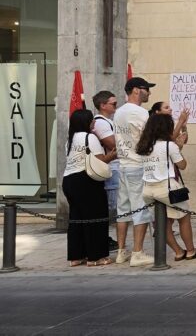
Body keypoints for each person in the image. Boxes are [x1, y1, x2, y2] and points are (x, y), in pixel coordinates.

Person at [136, 113, 196, 261]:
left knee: (162, 223)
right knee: (184, 217)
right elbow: (183, 165)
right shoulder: (169, 145)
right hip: (166, 188)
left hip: (148, 189)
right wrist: (179, 147)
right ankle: (190, 250)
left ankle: (177, 251)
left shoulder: (144, 146)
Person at [63, 109, 117, 267]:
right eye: (92, 120)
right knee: (96, 217)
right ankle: (96, 257)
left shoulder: (71, 139)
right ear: (86, 122)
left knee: (76, 218)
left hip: (69, 180)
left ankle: (76, 256)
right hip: (86, 181)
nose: (94, 122)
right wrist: (113, 155)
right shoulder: (90, 137)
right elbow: (100, 161)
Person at [113, 77, 155, 267]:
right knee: (141, 210)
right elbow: (149, 138)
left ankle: (122, 251)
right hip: (138, 164)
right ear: (136, 90)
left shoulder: (119, 112)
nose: (149, 93)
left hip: (123, 164)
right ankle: (137, 252)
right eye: (146, 89)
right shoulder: (140, 112)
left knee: (123, 210)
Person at [91, 90, 120, 251]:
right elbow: (113, 145)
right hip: (110, 168)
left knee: (115, 207)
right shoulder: (101, 123)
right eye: (113, 104)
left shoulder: (108, 121)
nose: (116, 106)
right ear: (102, 105)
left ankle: (106, 237)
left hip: (114, 167)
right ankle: (104, 238)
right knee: (112, 207)